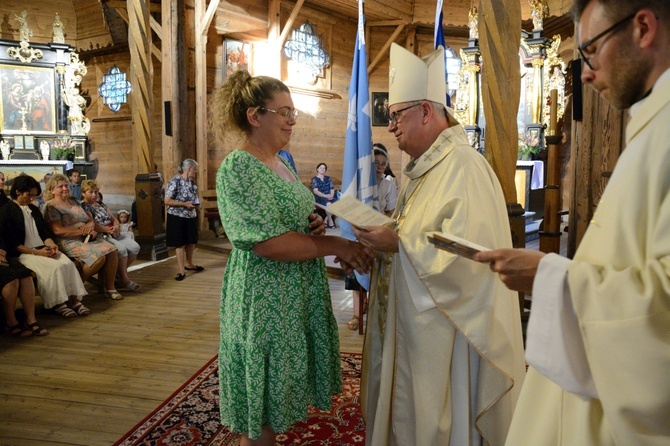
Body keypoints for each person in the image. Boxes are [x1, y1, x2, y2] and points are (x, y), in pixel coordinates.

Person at [474, 2, 670, 444]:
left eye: (592, 50)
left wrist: (551, 277)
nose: (584, 73)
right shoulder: (652, 123)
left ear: (642, 28)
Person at [352, 43, 526, 445]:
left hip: (447, 339)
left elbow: (469, 260)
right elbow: (420, 231)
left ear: (426, 112)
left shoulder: (464, 166)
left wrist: (398, 242)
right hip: (413, 325)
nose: (391, 127)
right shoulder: (426, 169)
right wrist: (385, 238)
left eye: (396, 116)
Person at [210, 70, 374, 446]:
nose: (293, 120)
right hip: (265, 291)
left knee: (282, 383)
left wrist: (312, 221)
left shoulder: (280, 160)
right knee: (265, 400)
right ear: (255, 116)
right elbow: (267, 242)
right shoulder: (239, 166)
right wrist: (337, 245)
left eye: (293, 111)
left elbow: (285, 217)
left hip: (294, 287)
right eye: (283, 112)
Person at [0, 174, 89, 318]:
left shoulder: (33, 210)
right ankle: (59, 303)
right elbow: (12, 244)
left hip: (41, 248)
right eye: (29, 195)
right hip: (24, 253)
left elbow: (44, 233)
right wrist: (37, 253)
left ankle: (75, 300)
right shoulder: (7, 210)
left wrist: (52, 245)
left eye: (34, 196)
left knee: (67, 263)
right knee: (54, 268)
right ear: (18, 192)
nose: (32, 199)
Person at [43, 174, 123, 301]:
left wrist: (90, 227)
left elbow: (90, 219)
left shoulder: (74, 201)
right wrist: (81, 231)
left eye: (66, 186)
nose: (65, 189)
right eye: (60, 187)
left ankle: (110, 288)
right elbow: (57, 230)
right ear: (52, 190)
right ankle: (76, 289)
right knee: (99, 257)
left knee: (112, 249)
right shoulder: (51, 206)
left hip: (86, 238)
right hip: (67, 241)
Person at [346, 144, 398, 331]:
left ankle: (376, 309)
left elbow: (392, 212)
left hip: (379, 232)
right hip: (359, 232)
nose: (379, 167)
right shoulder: (360, 184)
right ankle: (357, 312)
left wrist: (379, 222)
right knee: (356, 268)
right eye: (375, 163)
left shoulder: (388, 185)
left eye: (383, 164)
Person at [0, 172, 48, 337]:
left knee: (25, 275)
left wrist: (1, 249)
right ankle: (10, 321)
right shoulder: (7, 208)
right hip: (12, 252)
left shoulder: (7, 205)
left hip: (5, 254)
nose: (32, 198)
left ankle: (30, 319)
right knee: (11, 280)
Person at [80, 180, 141, 292]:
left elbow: (113, 218)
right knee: (121, 249)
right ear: (84, 193)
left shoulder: (101, 204)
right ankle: (124, 279)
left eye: (96, 192)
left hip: (112, 232)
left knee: (134, 247)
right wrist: (108, 230)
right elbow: (92, 223)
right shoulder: (84, 206)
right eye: (90, 192)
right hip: (100, 235)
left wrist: (116, 226)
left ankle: (117, 275)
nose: (94, 195)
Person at [164, 158, 203, 281]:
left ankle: (189, 263)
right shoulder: (174, 181)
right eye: (195, 169)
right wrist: (184, 204)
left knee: (191, 241)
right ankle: (181, 270)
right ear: (189, 168)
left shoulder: (192, 182)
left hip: (190, 216)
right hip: (177, 217)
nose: (195, 172)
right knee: (180, 243)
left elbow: (194, 197)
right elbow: (167, 201)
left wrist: (195, 203)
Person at [311, 162, 337, 228]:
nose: (322, 169)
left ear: (325, 170)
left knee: (338, 203)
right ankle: (330, 221)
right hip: (320, 197)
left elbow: (332, 189)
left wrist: (331, 195)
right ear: (317, 169)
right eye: (320, 168)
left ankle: (326, 220)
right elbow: (315, 191)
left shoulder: (328, 178)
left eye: (324, 168)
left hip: (329, 196)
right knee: (328, 204)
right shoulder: (315, 179)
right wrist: (326, 196)